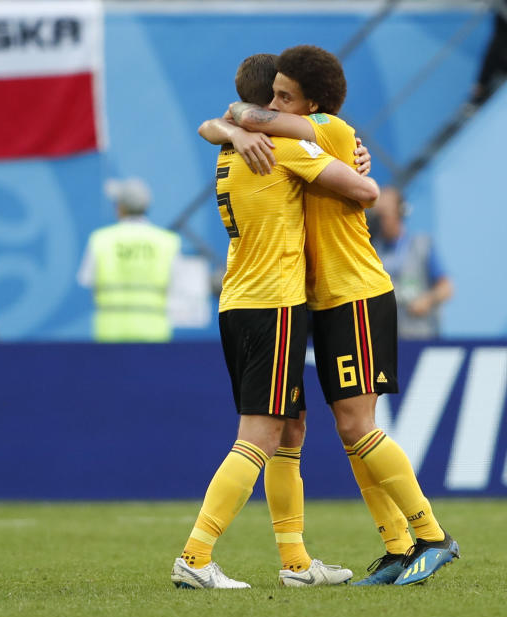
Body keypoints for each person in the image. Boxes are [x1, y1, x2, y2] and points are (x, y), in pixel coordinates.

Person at [225, 45, 460, 586]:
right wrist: (232, 127)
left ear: (313, 103)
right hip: (327, 300)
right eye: (275, 93)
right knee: (350, 428)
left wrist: (239, 120)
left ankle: (431, 536)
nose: (275, 104)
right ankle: (399, 546)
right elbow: (226, 120)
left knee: (357, 425)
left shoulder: (323, 130)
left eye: (286, 96)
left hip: (356, 293)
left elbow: (243, 113)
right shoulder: (297, 137)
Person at [170, 53, 379, 589]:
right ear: (270, 105)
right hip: (275, 305)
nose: (285, 105)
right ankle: (195, 556)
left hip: (238, 300)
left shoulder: (227, 143)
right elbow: (364, 193)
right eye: (281, 98)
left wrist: (235, 130)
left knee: (291, 428)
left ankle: (296, 563)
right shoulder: (283, 146)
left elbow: (212, 122)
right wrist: (351, 162)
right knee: (260, 435)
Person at [75, 178, 181, 342]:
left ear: (121, 208)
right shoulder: (167, 242)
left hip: (110, 335)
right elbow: (178, 288)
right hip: (153, 335)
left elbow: (86, 280)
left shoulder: (101, 240)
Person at [369, 187, 453, 339]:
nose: (381, 222)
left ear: (400, 213)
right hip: (386, 338)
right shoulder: (372, 251)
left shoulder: (422, 245)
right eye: (378, 216)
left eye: (385, 215)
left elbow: (446, 288)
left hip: (420, 334)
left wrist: (427, 300)